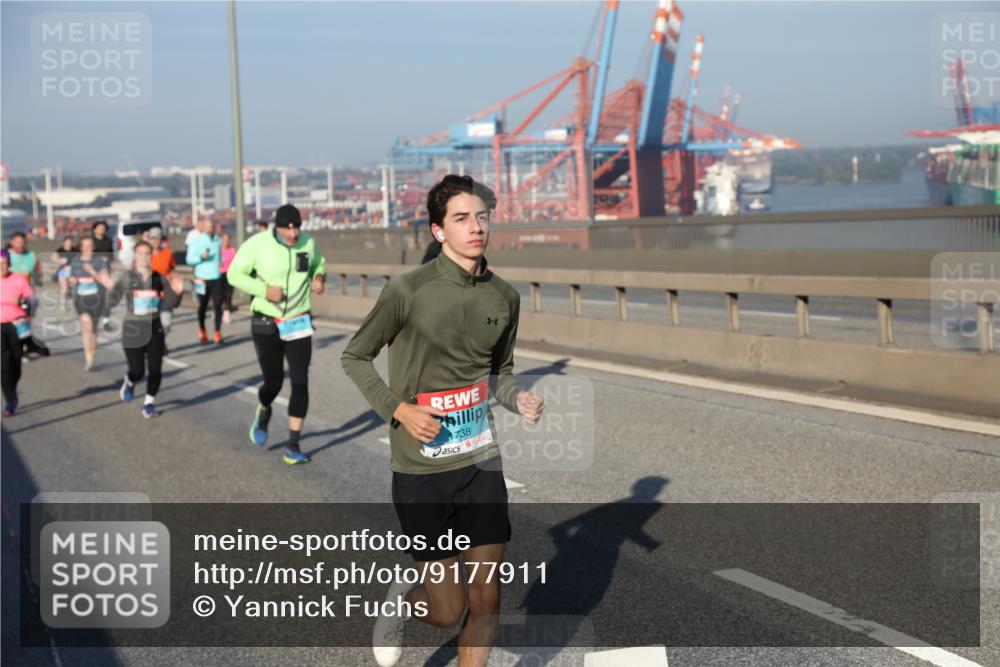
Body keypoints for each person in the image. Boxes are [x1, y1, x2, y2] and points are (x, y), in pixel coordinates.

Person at [341, 175, 544, 667]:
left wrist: (517, 398)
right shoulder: (407, 291)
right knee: (447, 610)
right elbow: (355, 356)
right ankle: (403, 600)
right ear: (438, 231)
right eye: (461, 219)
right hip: (422, 470)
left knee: (487, 598)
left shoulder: (504, 296)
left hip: (480, 461)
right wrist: (400, 409)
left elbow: (499, 373)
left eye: (482, 217)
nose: (476, 227)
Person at [227, 204, 326, 465]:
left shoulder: (308, 243)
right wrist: (263, 290)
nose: (293, 234)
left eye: (297, 228)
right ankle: (264, 408)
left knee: (300, 380)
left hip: (298, 321)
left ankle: (293, 445)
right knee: (274, 383)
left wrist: (319, 277)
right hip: (266, 321)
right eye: (288, 229)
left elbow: (318, 263)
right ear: (277, 228)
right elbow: (234, 274)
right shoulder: (257, 244)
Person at [109, 241, 183, 418]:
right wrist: (109, 289)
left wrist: (178, 292)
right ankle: (129, 381)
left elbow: (172, 302)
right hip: (133, 328)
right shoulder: (127, 277)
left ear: (151, 255)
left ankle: (149, 403)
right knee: (138, 371)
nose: (144, 257)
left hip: (154, 327)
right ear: (135, 255)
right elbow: (112, 301)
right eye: (140, 253)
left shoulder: (159, 278)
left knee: (155, 369)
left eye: (147, 253)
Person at [68, 236, 114, 370]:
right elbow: (71, 279)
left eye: (91, 245)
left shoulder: (100, 261)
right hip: (80, 299)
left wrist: (93, 272)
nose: (88, 248)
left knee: (93, 329)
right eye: (85, 245)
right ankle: (88, 358)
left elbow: (108, 283)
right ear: (80, 247)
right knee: (87, 325)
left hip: (97, 299)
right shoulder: (75, 261)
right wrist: (72, 281)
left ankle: (91, 354)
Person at [1, 249, 34, 415]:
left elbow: (32, 298)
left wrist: (24, 305)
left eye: (4, 263)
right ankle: (10, 400)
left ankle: (12, 389)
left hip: (17, 325)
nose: (1, 266)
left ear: (9, 264)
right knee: (3, 365)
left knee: (16, 362)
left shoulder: (18, 279)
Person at [185, 218, 224, 344]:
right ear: (202, 228)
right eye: (207, 227)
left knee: (218, 305)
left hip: (216, 277)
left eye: (211, 226)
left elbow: (219, 256)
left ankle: (217, 332)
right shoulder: (196, 240)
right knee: (203, 306)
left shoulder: (218, 239)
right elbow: (189, 259)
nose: (209, 229)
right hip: (201, 278)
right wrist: (201, 257)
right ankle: (202, 330)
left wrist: (221, 263)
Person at [146, 227, 177, 336]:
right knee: (150, 324)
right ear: (149, 239)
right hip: (149, 294)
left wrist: (172, 282)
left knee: (166, 323)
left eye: (157, 238)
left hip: (165, 293)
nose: (155, 241)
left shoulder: (168, 253)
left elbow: (172, 270)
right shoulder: (144, 255)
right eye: (152, 238)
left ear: (161, 239)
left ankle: (161, 341)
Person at [91, 221, 116, 332]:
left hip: (106, 271)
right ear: (94, 229)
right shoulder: (90, 241)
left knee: (107, 297)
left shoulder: (108, 240)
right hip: (93, 272)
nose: (102, 230)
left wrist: (112, 264)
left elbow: (111, 255)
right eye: (99, 227)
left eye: (103, 228)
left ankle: (106, 321)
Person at [51, 236, 77, 312]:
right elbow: (53, 258)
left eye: (70, 242)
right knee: (64, 288)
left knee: (72, 287)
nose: (69, 243)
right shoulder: (60, 250)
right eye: (67, 242)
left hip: (72, 271)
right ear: (64, 242)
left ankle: (69, 303)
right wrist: (60, 260)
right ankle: (63, 303)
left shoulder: (75, 249)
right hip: (63, 270)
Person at [219, 230, 236, 324]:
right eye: (224, 239)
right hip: (219, 274)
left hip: (229, 274)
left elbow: (236, 262)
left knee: (229, 293)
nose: (226, 241)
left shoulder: (232, 250)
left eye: (227, 240)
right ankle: (217, 310)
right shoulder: (218, 250)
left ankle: (226, 313)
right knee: (220, 294)